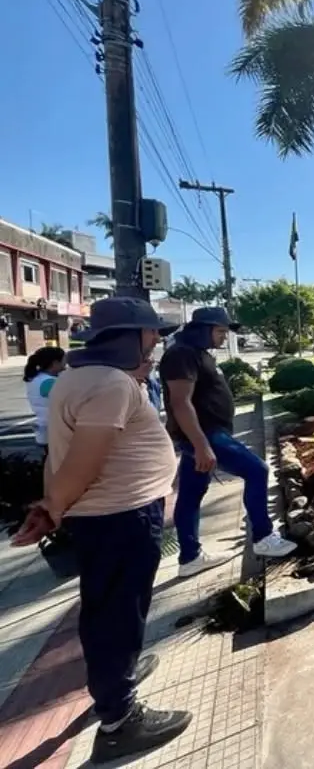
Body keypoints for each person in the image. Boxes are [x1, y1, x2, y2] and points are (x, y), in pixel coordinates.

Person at [30, 298, 191, 762]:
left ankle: (118, 675)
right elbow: (85, 456)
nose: (157, 341)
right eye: (150, 333)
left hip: (104, 517)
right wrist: (53, 504)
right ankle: (120, 720)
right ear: (127, 336)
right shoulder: (109, 384)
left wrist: (54, 504)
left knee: (111, 607)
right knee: (117, 612)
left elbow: (58, 453)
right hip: (119, 517)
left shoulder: (77, 378)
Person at [160, 307, 296, 579]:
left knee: (190, 494)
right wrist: (200, 444)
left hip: (207, 433)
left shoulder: (197, 354)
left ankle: (190, 558)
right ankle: (264, 537)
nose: (224, 337)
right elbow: (180, 402)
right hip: (206, 434)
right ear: (203, 329)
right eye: (220, 331)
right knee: (257, 470)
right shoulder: (181, 354)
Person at [23, 346, 65, 451]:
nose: (66, 365)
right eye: (64, 361)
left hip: (44, 430)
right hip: (54, 431)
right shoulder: (50, 382)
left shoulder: (36, 378)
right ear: (55, 363)